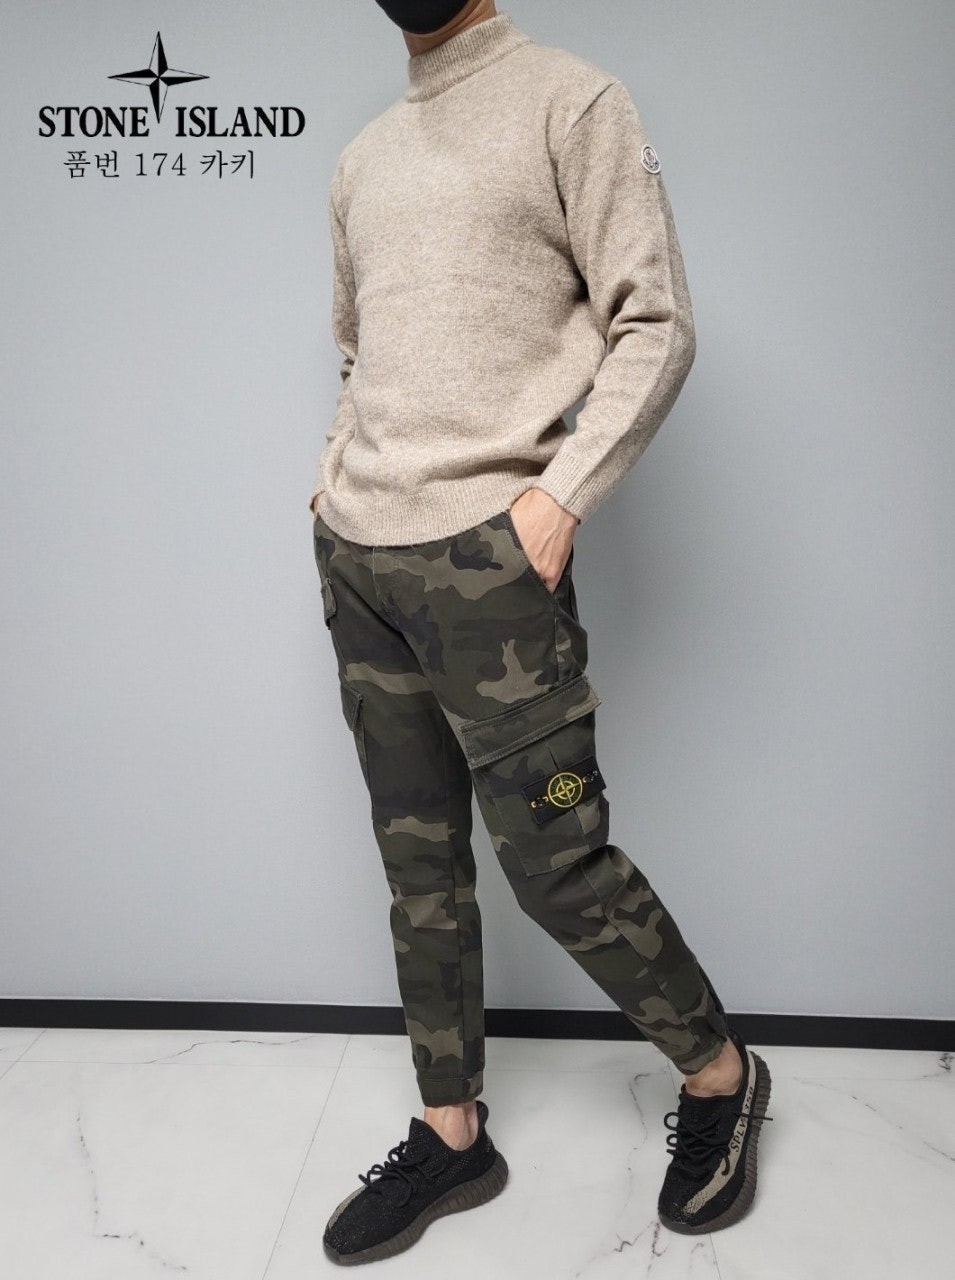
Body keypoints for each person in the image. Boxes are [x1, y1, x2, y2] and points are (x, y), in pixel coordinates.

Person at [310, 0, 773, 1264]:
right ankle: (452, 1131)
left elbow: (656, 319)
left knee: (557, 863)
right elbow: (356, 354)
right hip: (360, 561)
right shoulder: (362, 159)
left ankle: (722, 1073)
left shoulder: (572, 99)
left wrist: (559, 497)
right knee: (418, 868)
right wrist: (331, 484)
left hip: (489, 569)